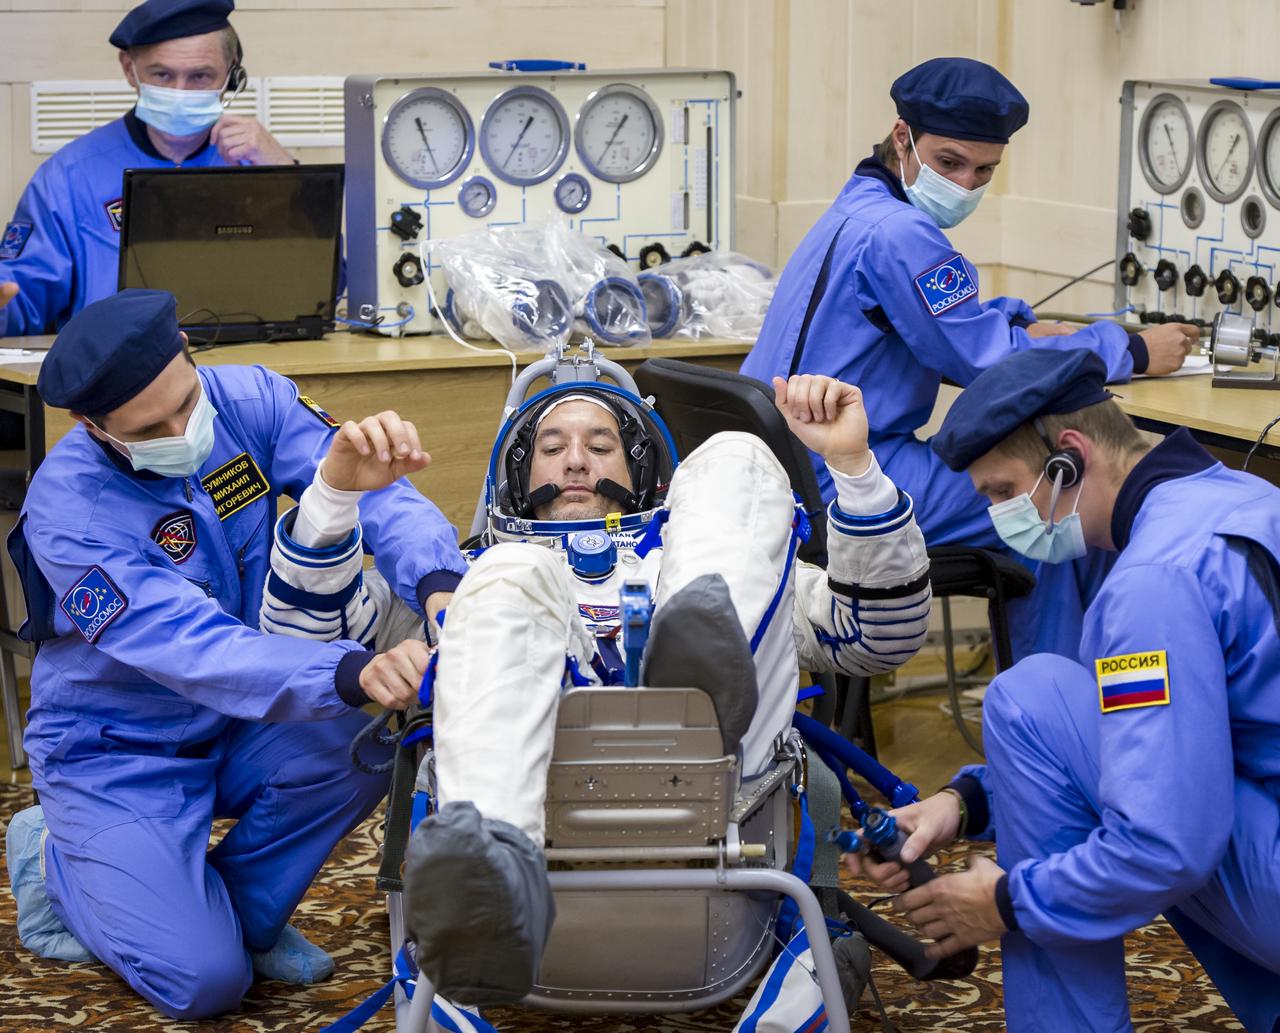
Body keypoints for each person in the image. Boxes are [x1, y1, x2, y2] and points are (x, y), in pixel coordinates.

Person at [259, 370, 934, 1024]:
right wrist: (333, 496)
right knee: (510, 570)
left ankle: (693, 688)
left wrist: (855, 470)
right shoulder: (457, 585)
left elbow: (876, 637)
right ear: (518, 475)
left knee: (739, 455)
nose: (577, 460)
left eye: (601, 445)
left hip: (726, 799)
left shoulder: (727, 559)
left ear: (641, 471)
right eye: (552, 447)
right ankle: (491, 872)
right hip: (535, 834)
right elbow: (299, 639)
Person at [2, 289, 468, 1019]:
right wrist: (351, 670)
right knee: (204, 984)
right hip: (119, 751)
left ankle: (243, 913)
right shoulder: (70, 512)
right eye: (148, 429)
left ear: (188, 350)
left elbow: (368, 487)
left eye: (185, 404)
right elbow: (191, 648)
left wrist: (442, 586)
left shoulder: (249, 400)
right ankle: (52, 859)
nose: (181, 432)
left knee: (377, 736)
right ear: (89, 426)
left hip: (242, 718)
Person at [850, 348, 1280, 1033]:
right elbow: (1170, 740)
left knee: (1031, 698)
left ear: (1069, 459)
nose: (999, 516)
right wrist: (965, 802)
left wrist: (1007, 902)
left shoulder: (1151, 584)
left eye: (1002, 491)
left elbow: (1164, 844)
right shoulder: (1239, 496)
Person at [739, 56, 1199, 659]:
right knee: (1061, 506)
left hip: (784, 470)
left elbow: (941, 318)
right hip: (843, 475)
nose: (964, 184)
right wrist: (1133, 348)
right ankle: (1055, 696)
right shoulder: (901, 234)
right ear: (902, 136)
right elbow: (987, 364)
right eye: (950, 162)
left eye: (984, 170)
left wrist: (1021, 323)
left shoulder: (856, 209)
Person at [0, 0, 293, 337]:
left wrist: (286, 177)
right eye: (162, 75)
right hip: (117, 364)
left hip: (253, 360)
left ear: (233, 74)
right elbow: (20, 300)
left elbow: (324, 287)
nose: (179, 93)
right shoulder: (69, 176)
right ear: (130, 69)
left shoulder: (258, 162)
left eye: (200, 76)